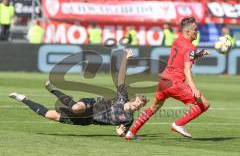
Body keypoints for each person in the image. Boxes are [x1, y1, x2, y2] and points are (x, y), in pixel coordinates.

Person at [9, 49, 148, 136]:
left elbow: (122, 132)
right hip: (91, 105)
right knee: (76, 108)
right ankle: (54, 90)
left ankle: (23, 99)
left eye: (140, 106)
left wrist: (120, 133)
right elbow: (121, 77)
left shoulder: (129, 119)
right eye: (137, 102)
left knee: (50, 115)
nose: (137, 105)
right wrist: (126, 59)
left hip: (88, 120)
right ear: (134, 99)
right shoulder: (122, 97)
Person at [125, 17, 210, 140]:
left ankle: (131, 132)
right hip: (175, 84)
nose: (197, 32)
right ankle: (178, 124)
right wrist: (194, 88)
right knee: (205, 104)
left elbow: (181, 58)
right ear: (187, 32)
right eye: (195, 29)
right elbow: (187, 70)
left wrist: (198, 55)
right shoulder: (190, 47)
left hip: (163, 80)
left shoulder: (177, 41)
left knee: (153, 107)